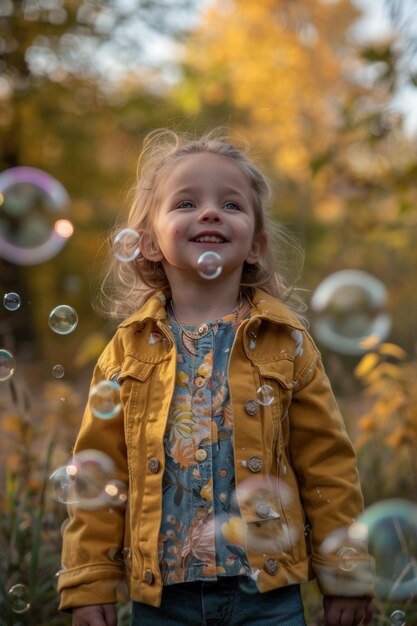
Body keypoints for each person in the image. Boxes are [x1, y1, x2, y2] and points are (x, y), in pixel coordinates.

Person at [58, 129, 374, 626]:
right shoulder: (127, 350)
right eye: (186, 202)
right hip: (162, 601)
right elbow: (99, 477)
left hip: (266, 595)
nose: (209, 212)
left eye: (230, 204)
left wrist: (348, 573)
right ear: (148, 243)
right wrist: (89, 580)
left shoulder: (286, 343)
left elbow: (328, 466)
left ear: (256, 244)